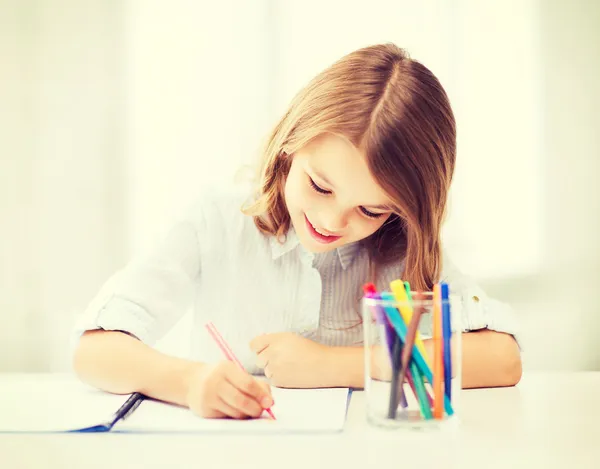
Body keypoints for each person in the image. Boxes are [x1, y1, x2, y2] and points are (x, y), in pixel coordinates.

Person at [72, 43, 522, 420]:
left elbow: (502, 358)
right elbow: (93, 353)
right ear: (290, 144)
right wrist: (189, 382)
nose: (331, 222)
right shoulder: (218, 219)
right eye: (320, 186)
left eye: (369, 209)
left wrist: (330, 365)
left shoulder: (402, 245)